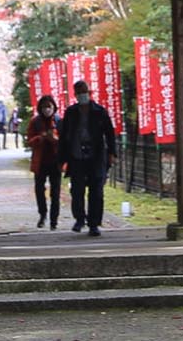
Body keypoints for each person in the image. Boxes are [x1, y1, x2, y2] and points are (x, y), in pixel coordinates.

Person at [57, 80, 117, 237]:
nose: (82, 95)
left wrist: (111, 153)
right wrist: (61, 159)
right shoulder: (71, 113)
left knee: (96, 190)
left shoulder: (99, 111)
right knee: (77, 190)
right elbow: (64, 137)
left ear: (89, 92)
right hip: (76, 155)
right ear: (75, 94)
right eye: (79, 92)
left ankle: (94, 223)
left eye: (84, 91)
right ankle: (79, 218)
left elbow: (109, 133)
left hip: (96, 155)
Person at [26, 95, 62, 229]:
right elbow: (29, 140)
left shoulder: (59, 121)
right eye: (44, 107)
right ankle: (43, 214)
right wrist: (40, 138)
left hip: (55, 161)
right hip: (40, 162)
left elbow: (65, 141)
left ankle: (54, 219)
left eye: (49, 106)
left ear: (54, 107)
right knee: (39, 189)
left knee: (56, 191)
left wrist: (55, 139)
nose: (47, 109)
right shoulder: (35, 122)